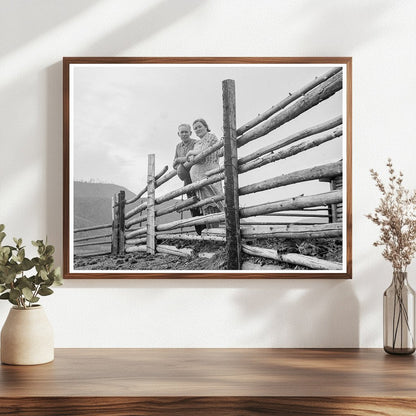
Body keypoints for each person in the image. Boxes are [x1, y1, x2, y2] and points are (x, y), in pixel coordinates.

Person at [186, 119, 224, 218]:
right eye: (195, 128)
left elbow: (204, 151)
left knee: (215, 199)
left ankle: (219, 226)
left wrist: (190, 153)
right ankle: (210, 228)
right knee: (205, 204)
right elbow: (192, 159)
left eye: (199, 126)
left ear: (206, 126)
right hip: (198, 177)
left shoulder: (211, 137)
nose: (197, 129)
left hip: (210, 171)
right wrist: (192, 155)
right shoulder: (197, 143)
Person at [172, 123, 205, 235]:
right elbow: (174, 163)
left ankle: (207, 230)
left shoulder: (195, 143)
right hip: (187, 179)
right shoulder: (178, 146)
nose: (184, 134)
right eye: (182, 132)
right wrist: (180, 167)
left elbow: (194, 158)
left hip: (197, 175)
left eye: (186, 131)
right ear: (178, 134)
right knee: (192, 204)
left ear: (190, 133)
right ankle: (199, 232)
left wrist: (179, 161)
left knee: (202, 202)